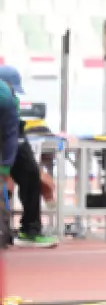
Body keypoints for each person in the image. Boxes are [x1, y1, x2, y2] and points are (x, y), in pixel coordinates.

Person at [0, 66, 58, 248]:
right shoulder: (7, 100)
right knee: (24, 177)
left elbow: (11, 134)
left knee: (31, 175)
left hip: (13, 139)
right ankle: (24, 230)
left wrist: (5, 167)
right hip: (11, 140)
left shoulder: (9, 101)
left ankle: (29, 230)